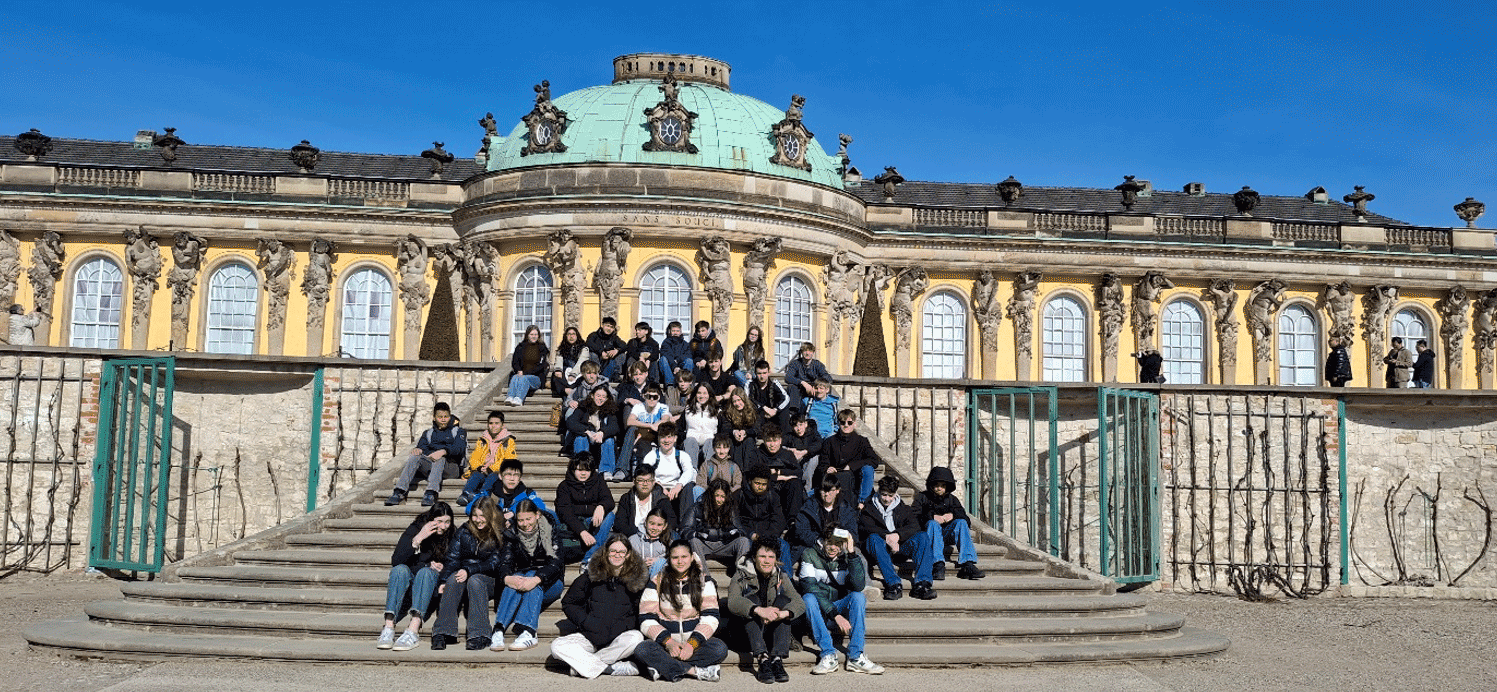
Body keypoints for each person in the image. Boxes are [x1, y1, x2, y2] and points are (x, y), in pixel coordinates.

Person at [551, 535, 648, 678]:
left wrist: (624, 625)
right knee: (557, 646)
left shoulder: (636, 580)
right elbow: (569, 602)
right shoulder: (591, 575)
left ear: (628, 555)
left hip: (617, 639)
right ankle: (609, 668)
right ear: (606, 552)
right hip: (590, 636)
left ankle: (583, 666)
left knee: (636, 638)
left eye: (622, 552)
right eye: (613, 551)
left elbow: (639, 611)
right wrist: (586, 622)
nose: (617, 555)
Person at [633, 540, 728, 682]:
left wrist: (691, 644)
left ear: (691, 557)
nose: (680, 561)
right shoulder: (658, 581)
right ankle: (692, 671)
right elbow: (646, 618)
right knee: (642, 649)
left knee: (719, 648)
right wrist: (669, 642)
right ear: (669, 559)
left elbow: (711, 617)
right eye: (675, 557)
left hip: (694, 645)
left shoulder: (704, 581)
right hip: (666, 645)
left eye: (684, 557)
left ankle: (664, 667)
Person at [798, 525, 882, 675]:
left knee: (858, 596)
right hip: (819, 611)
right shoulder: (809, 554)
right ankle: (828, 654)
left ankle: (856, 656)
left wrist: (852, 553)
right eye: (830, 542)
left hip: (839, 606)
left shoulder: (849, 557)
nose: (833, 547)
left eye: (838, 544)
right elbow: (810, 588)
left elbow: (858, 585)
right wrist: (835, 615)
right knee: (808, 598)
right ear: (823, 541)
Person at [431, 496, 508, 651]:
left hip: (490, 579)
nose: (478, 520)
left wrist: (469, 570)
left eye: (482, 516)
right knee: (453, 579)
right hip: (466, 575)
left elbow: (494, 563)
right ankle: (443, 631)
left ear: (490, 515)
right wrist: (443, 580)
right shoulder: (464, 531)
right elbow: (452, 558)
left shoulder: (499, 532)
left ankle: (480, 634)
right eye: (475, 515)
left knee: (475, 580)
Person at [377, 501, 455, 651]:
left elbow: (455, 562)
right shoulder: (416, 528)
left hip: (429, 582)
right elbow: (396, 560)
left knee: (426, 573)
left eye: (447, 522)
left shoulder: (452, 534)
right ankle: (388, 626)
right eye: (439, 521)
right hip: (411, 580)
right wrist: (418, 539)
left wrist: (443, 568)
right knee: (399, 570)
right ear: (431, 519)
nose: (444, 526)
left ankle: (413, 629)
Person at [726, 537, 803, 684]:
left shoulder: (781, 576)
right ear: (754, 558)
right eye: (762, 556)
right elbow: (733, 602)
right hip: (745, 635)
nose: (767, 561)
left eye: (771, 557)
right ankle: (762, 659)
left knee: (784, 602)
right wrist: (758, 610)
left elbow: (799, 603)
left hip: (769, 634)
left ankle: (777, 659)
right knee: (751, 599)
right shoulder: (741, 575)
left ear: (776, 559)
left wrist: (781, 614)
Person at [492, 499, 565, 651]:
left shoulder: (551, 529)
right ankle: (498, 630)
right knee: (514, 581)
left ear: (537, 515)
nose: (525, 524)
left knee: (532, 577)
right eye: (521, 520)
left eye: (528, 519)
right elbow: (505, 561)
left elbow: (556, 563)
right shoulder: (512, 532)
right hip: (522, 579)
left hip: (551, 582)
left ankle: (528, 631)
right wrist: (507, 577)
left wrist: (537, 578)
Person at [860, 475, 935, 601]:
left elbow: (914, 526)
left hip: (899, 548)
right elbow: (865, 527)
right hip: (879, 548)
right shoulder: (868, 508)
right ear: (879, 492)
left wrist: (897, 536)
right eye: (884, 495)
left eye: (890, 495)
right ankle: (893, 584)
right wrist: (887, 537)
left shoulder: (903, 508)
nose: (887, 499)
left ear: (895, 494)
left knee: (922, 536)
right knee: (873, 538)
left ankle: (922, 583)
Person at [386, 402, 467, 507]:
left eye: (446, 417)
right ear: (434, 418)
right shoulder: (428, 433)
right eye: (440, 417)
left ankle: (431, 493)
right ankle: (399, 491)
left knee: (440, 458)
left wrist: (443, 451)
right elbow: (422, 447)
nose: (443, 419)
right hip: (432, 465)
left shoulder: (459, 431)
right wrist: (418, 450)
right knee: (415, 456)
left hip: (451, 468)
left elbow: (459, 448)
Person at [915, 466, 985, 582]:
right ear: (931, 485)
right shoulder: (922, 497)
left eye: (943, 486)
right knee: (932, 524)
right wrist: (932, 517)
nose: (939, 488)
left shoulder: (952, 499)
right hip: (930, 535)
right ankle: (937, 564)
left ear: (947, 487)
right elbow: (914, 518)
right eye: (936, 485)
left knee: (961, 522)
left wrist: (953, 516)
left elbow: (966, 520)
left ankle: (967, 563)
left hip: (947, 535)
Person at [555, 453, 616, 565]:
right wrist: (581, 531)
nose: (583, 473)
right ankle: (590, 556)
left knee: (610, 515)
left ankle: (588, 558)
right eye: (579, 470)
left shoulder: (598, 481)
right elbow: (565, 512)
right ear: (573, 469)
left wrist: (601, 506)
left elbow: (609, 500)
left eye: (587, 470)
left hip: (593, 521)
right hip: (573, 524)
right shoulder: (564, 486)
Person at [684, 477, 751, 577]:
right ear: (710, 495)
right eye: (717, 496)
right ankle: (705, 577)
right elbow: (684, 530)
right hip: (704, 544)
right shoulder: (696, 508)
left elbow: (741, 530)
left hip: (725, 545)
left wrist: (735, 533)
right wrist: (696, 534)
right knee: (694, 541)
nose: (719, 500)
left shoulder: (731, 509)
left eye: (723, 497)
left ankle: (741, 577)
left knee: (744, 541)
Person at [792, 476, 858, 566]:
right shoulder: (809, 506)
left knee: (859, 558)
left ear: (837, 490)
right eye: (824, 491)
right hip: (815, 545)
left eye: (830, 490)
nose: (827, 494)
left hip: (839, 546)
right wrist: (818, 540)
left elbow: (853, 533)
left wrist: (840, 541)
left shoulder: (846, 509)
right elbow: (800, 531)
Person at [456, 411, 516, 507]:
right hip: (483, 469)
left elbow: (508, 460)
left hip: (498, 471)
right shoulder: (482, 440)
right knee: (476, 475)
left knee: (493, 476)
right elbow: (475, 456)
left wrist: (491, 468)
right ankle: (466, 494)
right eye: (491, 423)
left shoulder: (509, 441)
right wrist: (479, 467)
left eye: (497, 423)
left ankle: (483, 495)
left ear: (502, 425)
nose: (493, 426)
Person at [820, 409, 878, 508]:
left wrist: (851, 466)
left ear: (854, 424)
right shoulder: (829, 442)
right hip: (837, 479)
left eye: (849, 422)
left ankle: (862, 501)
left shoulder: (862, 441)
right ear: (838, 423)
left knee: (868, 469)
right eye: (843, 422)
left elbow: (874, 460)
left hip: (856, 480)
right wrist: (828, 468)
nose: (846, 425)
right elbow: (822, 463)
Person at [738, 465, 789, 571]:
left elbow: (778, 520)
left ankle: (785, 577)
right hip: (747, 537)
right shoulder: (739, 495)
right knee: (744, 544)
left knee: (784, 545)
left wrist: (765, 536)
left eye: (764, 484)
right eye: (757, 483)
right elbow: (735, 520)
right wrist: (750, 534)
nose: (760, 487)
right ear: (750, 481)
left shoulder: (773, 496)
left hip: (768, 536)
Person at [567, 385, 624, 478]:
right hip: (586, 442)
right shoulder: (583, 407)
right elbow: (571, 422)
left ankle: (606, 470)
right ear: (592, 396)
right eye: (598, 395)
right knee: (581, 438)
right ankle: (582, 467)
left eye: (603, 396)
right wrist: (587, 431)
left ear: (607, 399)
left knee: (609, 440)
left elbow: (614, 427)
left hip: (600, 444)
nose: (600, 398)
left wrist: (602, 433)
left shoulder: (611, 410)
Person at [613, 464, 680, 541]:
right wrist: (639, 535)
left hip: (658, 537)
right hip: (632, 538)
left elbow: (672, 521)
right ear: (634, 481)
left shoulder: (661, 499)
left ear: (653, 482)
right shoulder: (626, 498)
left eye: (648, 480)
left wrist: (655, 533)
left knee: (674, 535)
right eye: (641, 480)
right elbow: (620, 524)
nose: (645, 484)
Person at [622, 381, 674, 478]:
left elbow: (665, 419)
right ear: (643, 396)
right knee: (632, 430)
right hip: (642, 436)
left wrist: (653, 426)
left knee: (667, 430)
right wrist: (650, 426)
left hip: (657, 435)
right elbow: (630, 421)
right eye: (648, 396)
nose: (651, 399)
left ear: (659, 397)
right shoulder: (639, 407)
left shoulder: (663, 407)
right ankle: (622, 469)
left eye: (655, 397)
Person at [755, 424, 803, 520]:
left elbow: (798, 472)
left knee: (796, 484)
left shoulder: (787, 454)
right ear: (764, 441)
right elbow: (755, 473)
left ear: (780, 441)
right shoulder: (758, 454)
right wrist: (781, 477)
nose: (772, 445)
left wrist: (778, 472)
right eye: (769, 441)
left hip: (785, 488)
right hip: (766, 487)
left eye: (775, 441)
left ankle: (792, 520)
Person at [487, 458, 553, 524]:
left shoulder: (527, 493)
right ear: (500, 476)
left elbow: (541, 506)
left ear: (520, 478)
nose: (512, 479)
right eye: (508, 474)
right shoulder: (490, 494)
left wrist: (514, 512)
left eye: (516, 475)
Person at [505, 324, 549, 406]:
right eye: (531, 334)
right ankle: (510, 397)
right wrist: (519, 370)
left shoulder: (542, 348)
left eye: (536, 334)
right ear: (527, 335)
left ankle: (519, 399)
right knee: (515, 377)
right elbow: (515, 362)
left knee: (524, 378)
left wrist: (525, 373)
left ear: (538, 336)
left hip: (536, 378)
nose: (534, 336)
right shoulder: (520, 347)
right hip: (521, 375)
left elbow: (542, 366)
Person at [782, 413, 824, 495]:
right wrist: (791, 450)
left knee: (814, 459)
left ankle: (806, 490)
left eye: (801, 425)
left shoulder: (813, 433)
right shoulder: (790, 436)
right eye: (795, 426)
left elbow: (819, 444)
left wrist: (804, 452)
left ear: (805, 424)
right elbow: (779, 444)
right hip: (796, 461)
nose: (799, 429)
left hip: (809, 460)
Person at [680, 384, 720, 466]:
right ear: (695, 394)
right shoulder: (688, 410)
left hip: (708, 444)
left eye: (705, 393)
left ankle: (708, 470)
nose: (702, 396)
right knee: (690, 441)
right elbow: (679, 427)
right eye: (699, 393)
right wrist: (686, 436)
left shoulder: (717, 411)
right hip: (691, 444)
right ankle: (693, 470)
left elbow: (722, 430)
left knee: (711, 442)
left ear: (709, 395)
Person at [747, 360, 792, 432]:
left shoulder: (774, 383)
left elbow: (786, 398)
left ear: (768, 372)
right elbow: (748, 400)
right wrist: (764, 408)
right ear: (755, 373)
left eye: (764, 373)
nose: (762, 376)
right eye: (759, 373)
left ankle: (785, 436)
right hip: (758, 414)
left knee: (784, 410)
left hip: (773, 414)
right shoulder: (750, 384)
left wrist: (775, 410)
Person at [784, 342, 832, 407]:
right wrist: (803, 383)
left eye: (810, 351)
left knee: (824, 388)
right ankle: (794, 410)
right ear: (802, 352)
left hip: (814, 391)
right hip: (799, 390)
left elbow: (828, 378)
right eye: (805, 351)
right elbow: (788, 377)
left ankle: (823, 408)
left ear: (813, 353)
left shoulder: (818, 364)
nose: (807, 353)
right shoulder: (795, 363)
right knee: (791, 387)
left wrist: (816, 386)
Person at [632, 506, 674, 577]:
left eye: (659, 525)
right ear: (645, 523)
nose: (654, 528)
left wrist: (657, 561)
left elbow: (673, 562)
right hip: (638, 576)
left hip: (660, 577)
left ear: (664, 526)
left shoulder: (668, 542)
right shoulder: (633, 540)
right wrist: (641, 563)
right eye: (651, 523)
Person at [551, 326, 591, 398]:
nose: (571, 336)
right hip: (565, 372)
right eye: (569, 334)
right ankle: (566, 390)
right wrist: (558, 370)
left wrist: (573, 374)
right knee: (555, 375)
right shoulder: (562, 348)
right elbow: (559, 360)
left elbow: (581, 362)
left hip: (578, 373)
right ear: (566, 336)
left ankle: (565, 391)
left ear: (577, 336)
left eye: (573, 334)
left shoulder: (584, 348)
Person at [586, 317, 628, 382]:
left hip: (608, 364)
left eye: (611, 327)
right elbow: (589, 344)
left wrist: (616, 350)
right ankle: (596, 374)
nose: (609, 329)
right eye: (607, 326)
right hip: (597, 362)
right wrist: (601, 352)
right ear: (602, 325)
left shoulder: (614, 337)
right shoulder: (593, 335)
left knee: (622, 355)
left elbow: (624, 345)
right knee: (592, 354)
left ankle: (616, 375)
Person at [658, 320, 693, 387]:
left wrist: (677, 362)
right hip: (670, 368)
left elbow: (688, 355)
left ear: (680, 332)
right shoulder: (666, 343)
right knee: (663, 359)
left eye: (677, 331)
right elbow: (667, 355)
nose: (675, 333)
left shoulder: (685, 344)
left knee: (689, 361)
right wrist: (674, 367)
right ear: (670, 332)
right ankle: (670, 385)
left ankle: (685, 382)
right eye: (673, 331)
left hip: (681, 367)